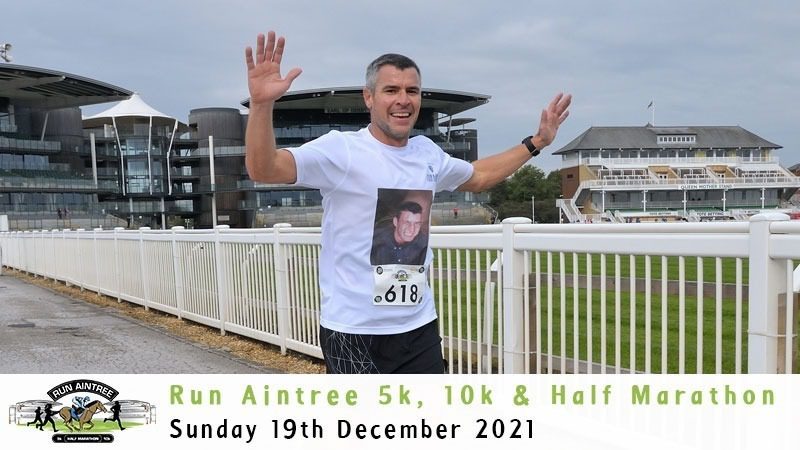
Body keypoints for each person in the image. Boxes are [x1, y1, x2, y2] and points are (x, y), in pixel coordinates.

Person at [245, 31, 571, 374]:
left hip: (418, 327)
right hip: (355, 331)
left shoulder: (426, 153)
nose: (403, 99)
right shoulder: (341, 150)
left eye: (411, 91)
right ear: (368, 98)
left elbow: (479, 176)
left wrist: (537, 143)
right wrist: (263, 104)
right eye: (391, 90)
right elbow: (264, 168)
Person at [371, 201, 427, 265]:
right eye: (407, 222)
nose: (412, 229)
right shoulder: (377, 241)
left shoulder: (422, 244)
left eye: (417, 224)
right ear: (395, 222)